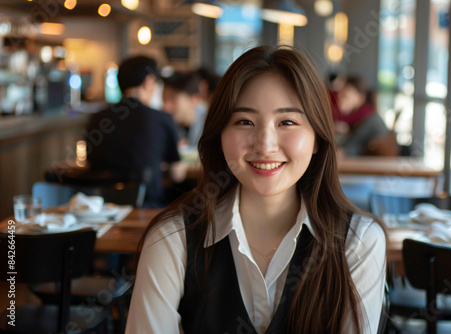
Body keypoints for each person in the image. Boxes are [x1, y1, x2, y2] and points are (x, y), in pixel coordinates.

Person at [126, 46, 386, 333]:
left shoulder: (359, 242)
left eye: (287, 122)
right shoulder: (172, 239)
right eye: (244, 122)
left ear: (317, 139)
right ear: (220, 136)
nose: (265, 145)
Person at [85, 55, 181, 207]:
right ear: (149, 81)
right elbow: (177, 174)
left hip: (99, 208)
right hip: (146, 208)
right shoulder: (161, 119)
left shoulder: (97, 118)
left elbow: (90, 162)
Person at [330, 77, 394, 156]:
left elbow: (349, 150)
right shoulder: (361, 117)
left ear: (360, 98)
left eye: (345, 96)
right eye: (340, 94)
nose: (339, 99)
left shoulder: (370, 120)